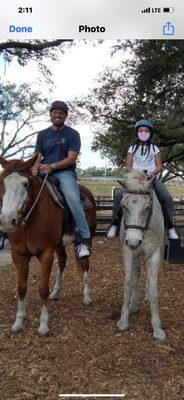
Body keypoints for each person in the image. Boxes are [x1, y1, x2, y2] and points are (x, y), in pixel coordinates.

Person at [32, 100, 91, 258]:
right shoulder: (42, 134)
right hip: (44, 170)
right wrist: (33, 168)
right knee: (19, 188)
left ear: (65, 116)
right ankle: (7, 232)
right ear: (51, 115)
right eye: (55, 112)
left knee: (73, 198)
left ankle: (83, 240)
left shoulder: (72, 134)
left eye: (61, 113)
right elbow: (38, 155)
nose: (57, 115)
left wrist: (53, 166)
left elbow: (71, 158)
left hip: (64, 172)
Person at [107, 119, 179, 240]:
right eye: (141, 130)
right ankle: (114, 224)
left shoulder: (154, 148)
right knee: (119, 197)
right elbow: (128, 166)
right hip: (135, 179)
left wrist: (151, 173)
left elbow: (159, 166)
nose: (143, 132)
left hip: (151, 179)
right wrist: (138, 173)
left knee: (166, 198)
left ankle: (170, 227)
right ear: (137, 133)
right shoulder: (132, 148)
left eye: (146, 131)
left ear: (150, 133)